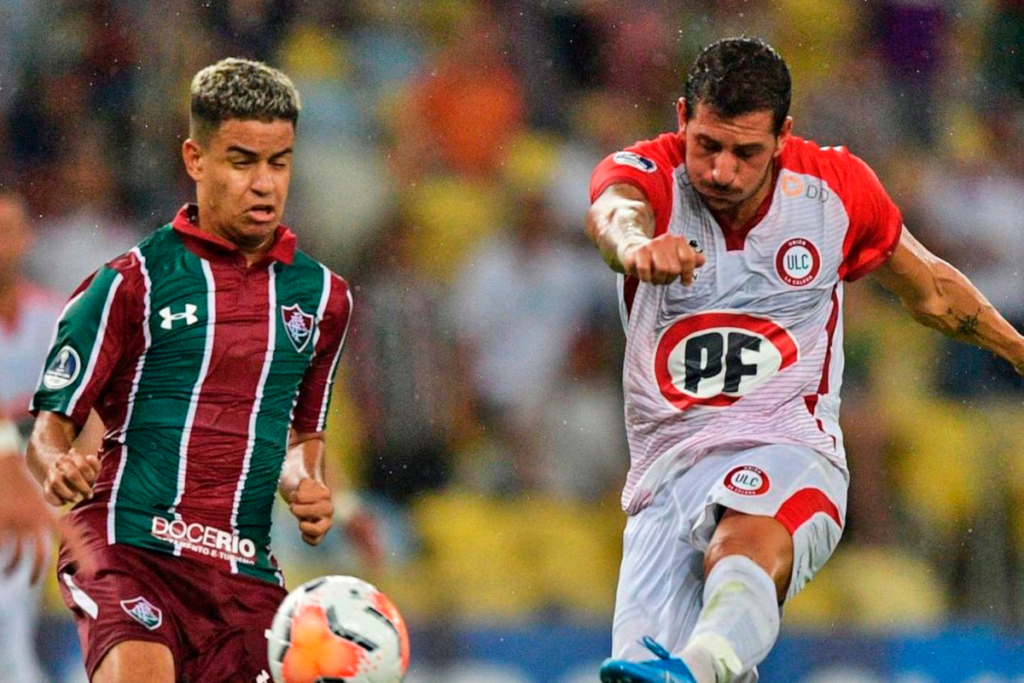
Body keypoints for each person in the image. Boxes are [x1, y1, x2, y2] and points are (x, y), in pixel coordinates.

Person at [587, 37, 1024, 683]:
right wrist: (633, 246)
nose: (723, 171)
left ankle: (702, 665)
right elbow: (612, 210)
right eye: (706, 144)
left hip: (790, 447)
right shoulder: (648, 174)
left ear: (783, 136)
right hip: (666, 480)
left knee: (742, 545)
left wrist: (1017, 349)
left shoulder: (835, 191)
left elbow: (929, 288)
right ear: (683, 118)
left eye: (747, 152)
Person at [26, 57, 373, 683]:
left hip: (242, 571)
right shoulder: (129, 283)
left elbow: (301, 435)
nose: (264, 183)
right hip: (129, 544)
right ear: (195, 159)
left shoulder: (324, 298)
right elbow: (49, 430)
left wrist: (305, 486)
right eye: (242, 162)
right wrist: (58, 467)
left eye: (279, 162)